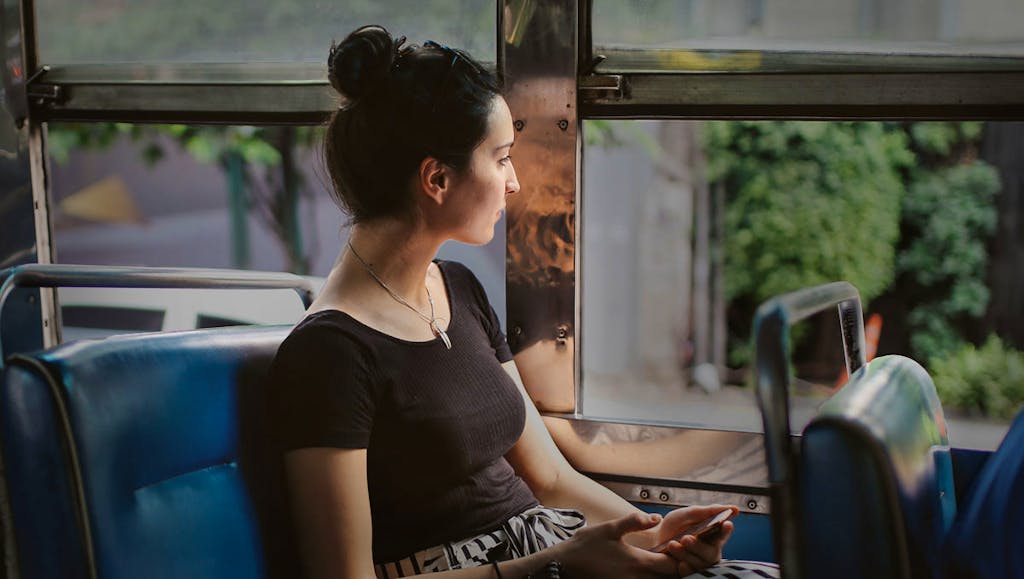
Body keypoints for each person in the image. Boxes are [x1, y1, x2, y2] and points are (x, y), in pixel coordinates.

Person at [268, 25, 778, 579]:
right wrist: (555, 562)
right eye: (502, 157)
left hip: (552, 553)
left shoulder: (458, 288)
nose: (514, 182)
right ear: (437, 178)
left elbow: (550, 479)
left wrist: (652, 537)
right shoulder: (330, 355)